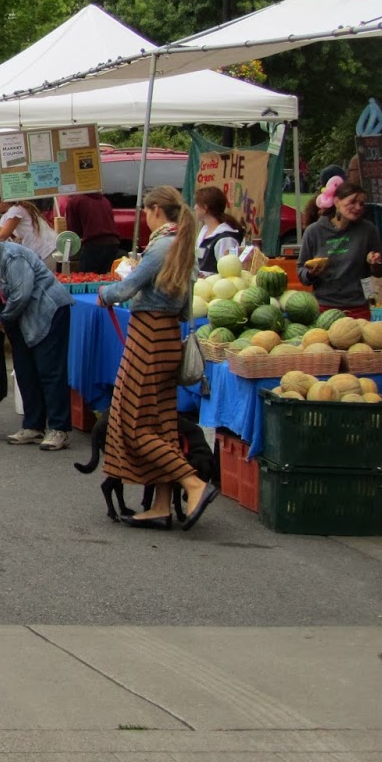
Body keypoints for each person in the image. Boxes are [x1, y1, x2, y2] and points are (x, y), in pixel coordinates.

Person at [95, 185, 218, 529]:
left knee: (134, 425)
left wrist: (104, 294)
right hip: (168, 340)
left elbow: (124, 289)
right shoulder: (183, 245)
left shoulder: (160, 246)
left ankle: (193, 484)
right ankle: (161, 505)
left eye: (145, 212)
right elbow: (183, 310)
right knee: (162, 426)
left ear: (154, 211)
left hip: (147, 341)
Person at [0, 219, 75, 451]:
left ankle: (59, 428)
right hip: (19, 319)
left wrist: (2, 320)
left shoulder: (14, 257)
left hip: (47, 313)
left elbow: (21, 295)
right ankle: (33, 426)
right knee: (24, 371)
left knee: (49, 371)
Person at [299, 178, 382, 318]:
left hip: (358, 308)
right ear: (336, 202)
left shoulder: (368, 230)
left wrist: (375, 263)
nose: (358, 207)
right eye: (352, 202)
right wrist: (311, 274)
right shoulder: (314, 231)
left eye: (362, 204)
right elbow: (301, 272)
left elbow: (380, 270)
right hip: (324, 309)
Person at [64, 190, 122, 273]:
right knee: (106, 278)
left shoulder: (75, 201)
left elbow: (73, 233)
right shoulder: (105, 200)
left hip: (93, 245)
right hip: (113, 244)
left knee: (87, 279)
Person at [193, 186, 243, 275]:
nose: (194, 207)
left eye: (197, 204)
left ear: (205, 207)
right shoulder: (204, 230)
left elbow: (229, 272)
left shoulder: (225, 238)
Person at [0, 197, 58, 261]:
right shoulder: (7, 214)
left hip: (47, 251)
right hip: (44, 251)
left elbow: (1, 236)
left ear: (3, 202)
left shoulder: (16, 211)